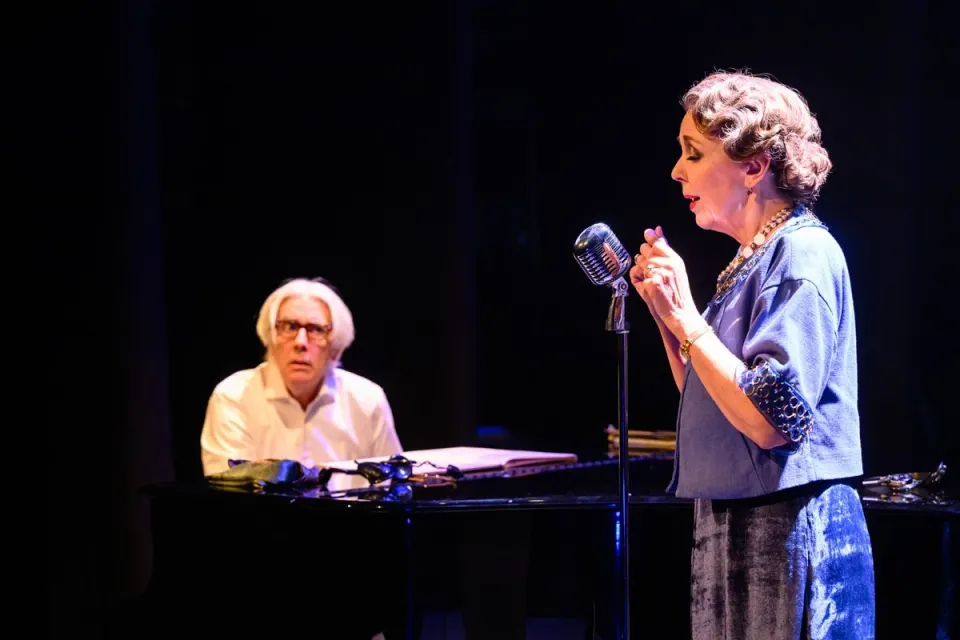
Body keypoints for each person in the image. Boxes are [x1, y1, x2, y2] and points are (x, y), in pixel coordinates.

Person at [629, 71, 875, 639]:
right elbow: (717, 403)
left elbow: (770, 419)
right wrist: (668, 315)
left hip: (789, 527)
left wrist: (686, 318)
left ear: (754, 166)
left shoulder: (802, 253)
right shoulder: (751, 261)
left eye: (693, 152)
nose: (677, 171)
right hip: (738, 519)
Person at [199, 277, 402, 489]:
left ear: (335, 346)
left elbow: (392, 486)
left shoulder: (367, 400)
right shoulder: (233, 397)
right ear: (270, 338)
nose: (300, 342)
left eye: (316, 329)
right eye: (289, 327)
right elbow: (229, 491)